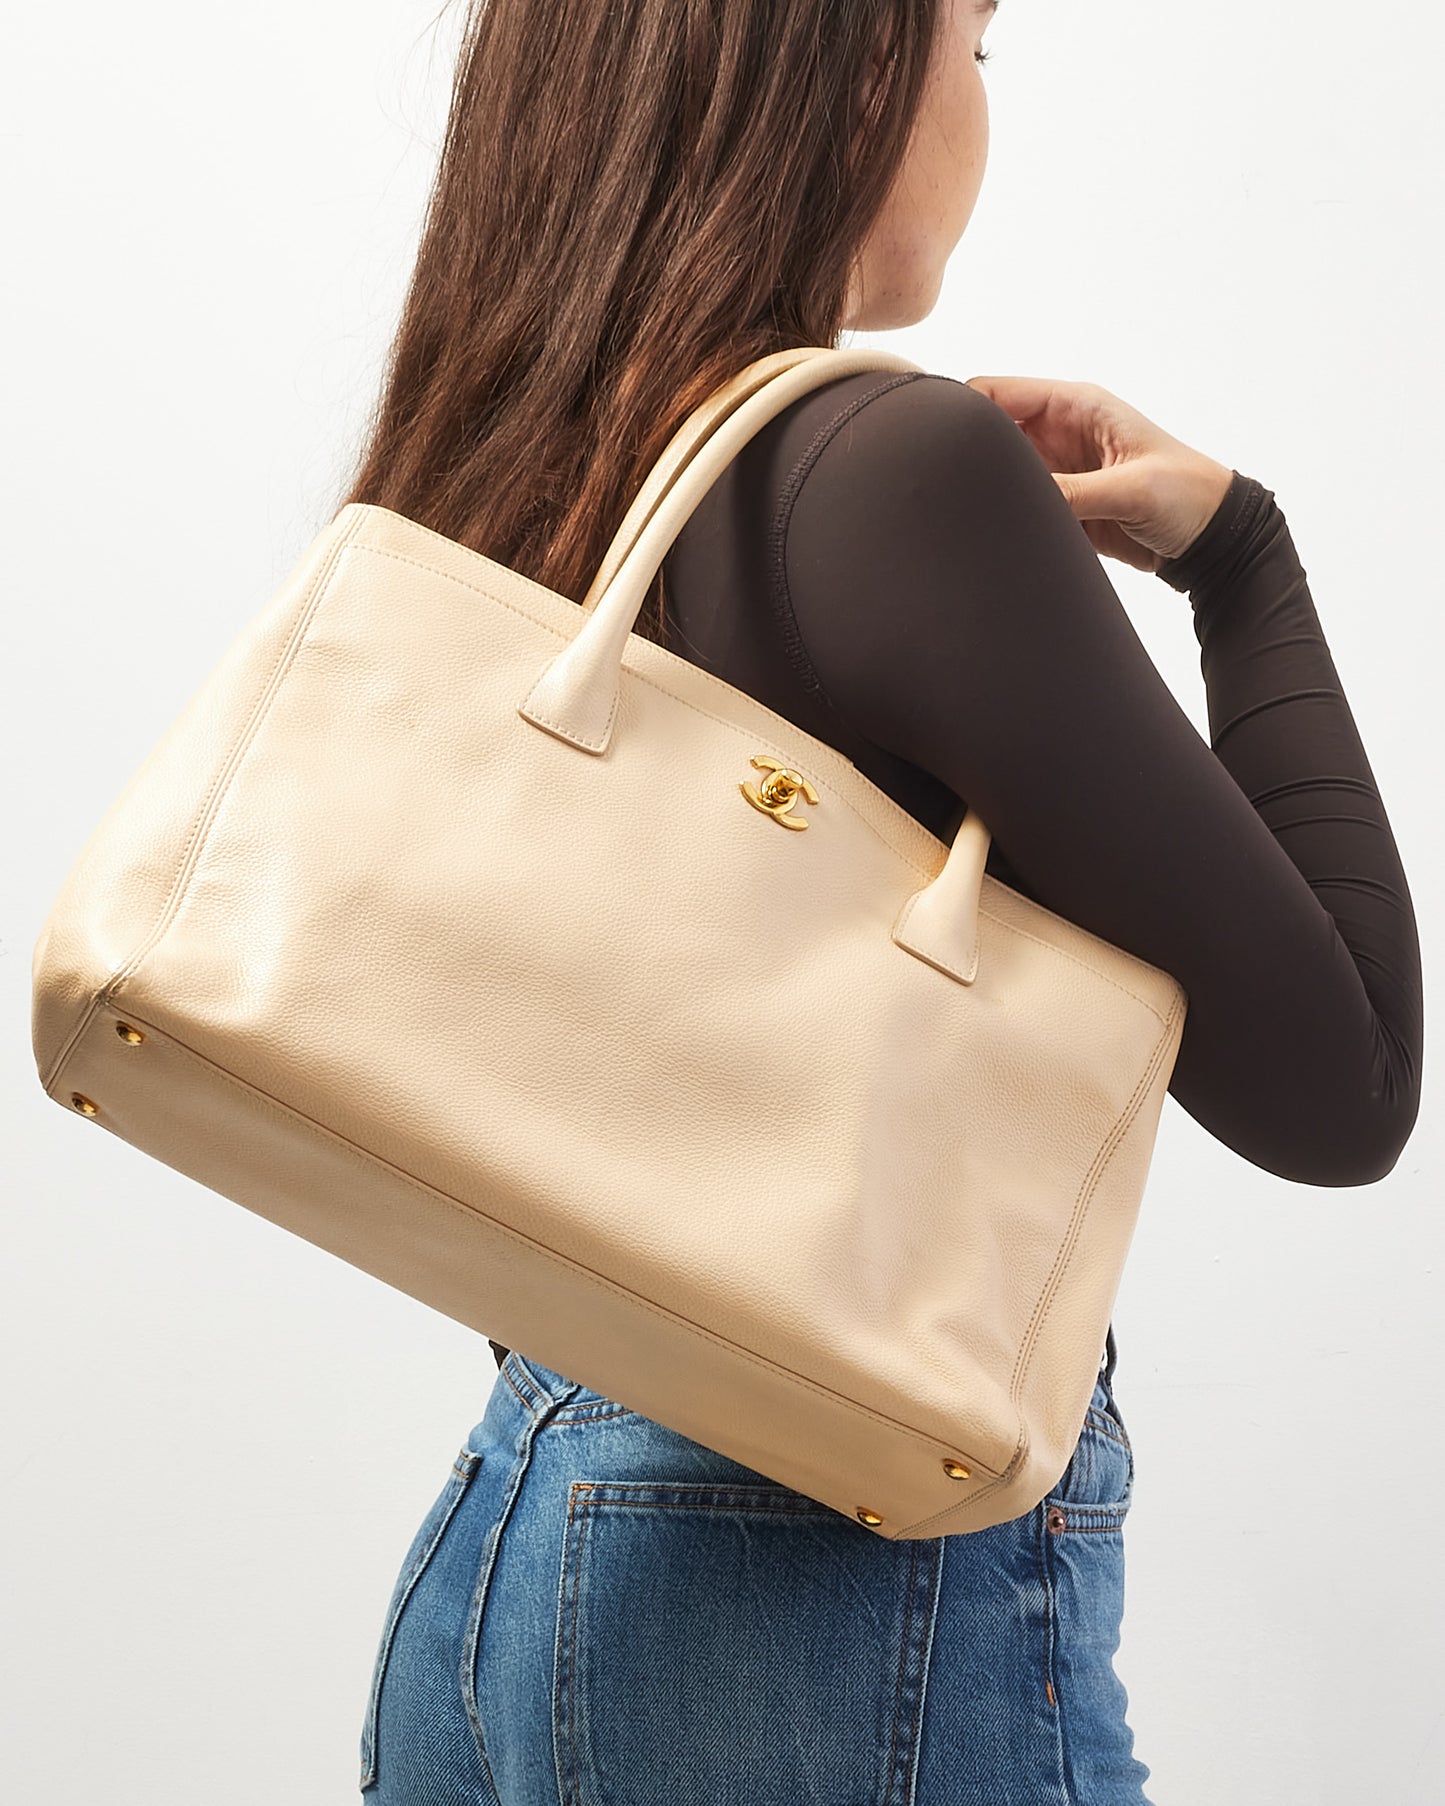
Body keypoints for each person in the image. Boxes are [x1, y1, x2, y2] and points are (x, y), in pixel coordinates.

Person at [340, 1, 1424, 1800]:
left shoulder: (518, 444)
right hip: (822, 1581)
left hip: (508, 1530)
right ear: (841, 65)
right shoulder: (890, 470)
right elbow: (1345, 1080)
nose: (978, 105)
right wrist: (1243, 557)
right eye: (974, 46)